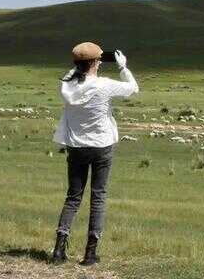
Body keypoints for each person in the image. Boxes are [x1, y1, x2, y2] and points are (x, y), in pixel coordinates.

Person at [51, 42, 139, 265]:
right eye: (98, 60)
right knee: (98, 196)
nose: (100, 62)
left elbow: (69, 77)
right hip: (101, 145)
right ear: (94, 63)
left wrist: (78, 66)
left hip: (76, 146)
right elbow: (132, 88)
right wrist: (122, 66)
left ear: (76, 64)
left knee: (73, 196)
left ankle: (59, 250)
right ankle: (90, 253)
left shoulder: (66, 88)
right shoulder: (104, 85)